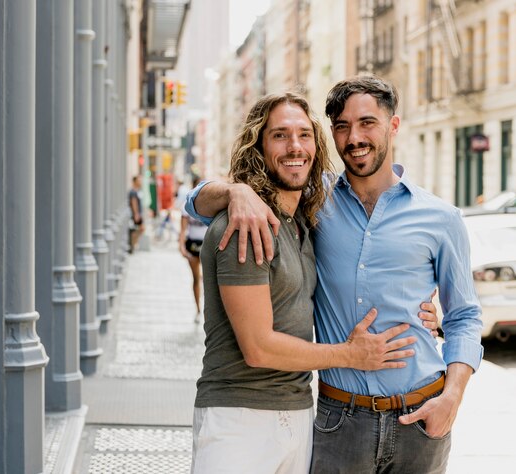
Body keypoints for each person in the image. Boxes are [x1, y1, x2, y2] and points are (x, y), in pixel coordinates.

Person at [187, 76, 482, 473]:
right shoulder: (313, 201)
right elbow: (195, 203)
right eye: (342, 126)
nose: (354, 137)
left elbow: (464, 316)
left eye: (367, 123)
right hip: (338, 422)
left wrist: (452, 398)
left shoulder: (441, 218)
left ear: (393, 126)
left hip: (421, 420)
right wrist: (235, 191)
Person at [178, 176, 207, 323]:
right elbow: (183, 229)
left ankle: (209, 310)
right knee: (196, 278)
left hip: (207, 244)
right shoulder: (186, 206)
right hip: (193, 244)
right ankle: (197, 309)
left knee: (209, 280)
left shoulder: (210, 205)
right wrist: (182, 247)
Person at [128, 175, 144, 253]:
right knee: (139, 229)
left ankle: (133, 245)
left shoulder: (137, 191)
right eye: (139, 180)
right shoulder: (133, 192)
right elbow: (134, 203)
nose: (140, 182)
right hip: (136, 214)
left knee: (139, 229)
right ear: (135, 181)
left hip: (138, 214)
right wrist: (136, 214)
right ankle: (132, 245)